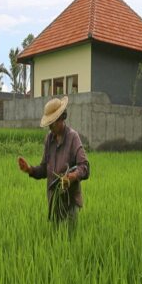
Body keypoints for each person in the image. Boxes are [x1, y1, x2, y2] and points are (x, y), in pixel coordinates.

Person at [17, 96, 89, 225]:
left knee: (70, 241)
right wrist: (30, 169)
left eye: (53, 122)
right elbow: (45, 169)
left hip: (69, 201)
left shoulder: (73, 137)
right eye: (49, 123)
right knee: (56, 240)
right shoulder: (49, 140)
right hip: (53, 201)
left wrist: (72, 176)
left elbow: (84, 167)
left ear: (62, 118)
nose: (50, 126)